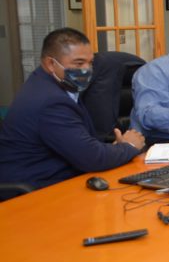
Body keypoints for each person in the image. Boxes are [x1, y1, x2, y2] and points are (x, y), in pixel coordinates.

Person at [0, 28, 144, 194]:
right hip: (35, 192)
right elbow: (92, 158)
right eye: (78, 63)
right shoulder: (51, 101)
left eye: (90, 63)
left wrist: (116, 148)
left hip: (61, 178)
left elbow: (84, 143)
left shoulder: (52, 85)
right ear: (50, 64)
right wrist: (130, 145)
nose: (87, 70)